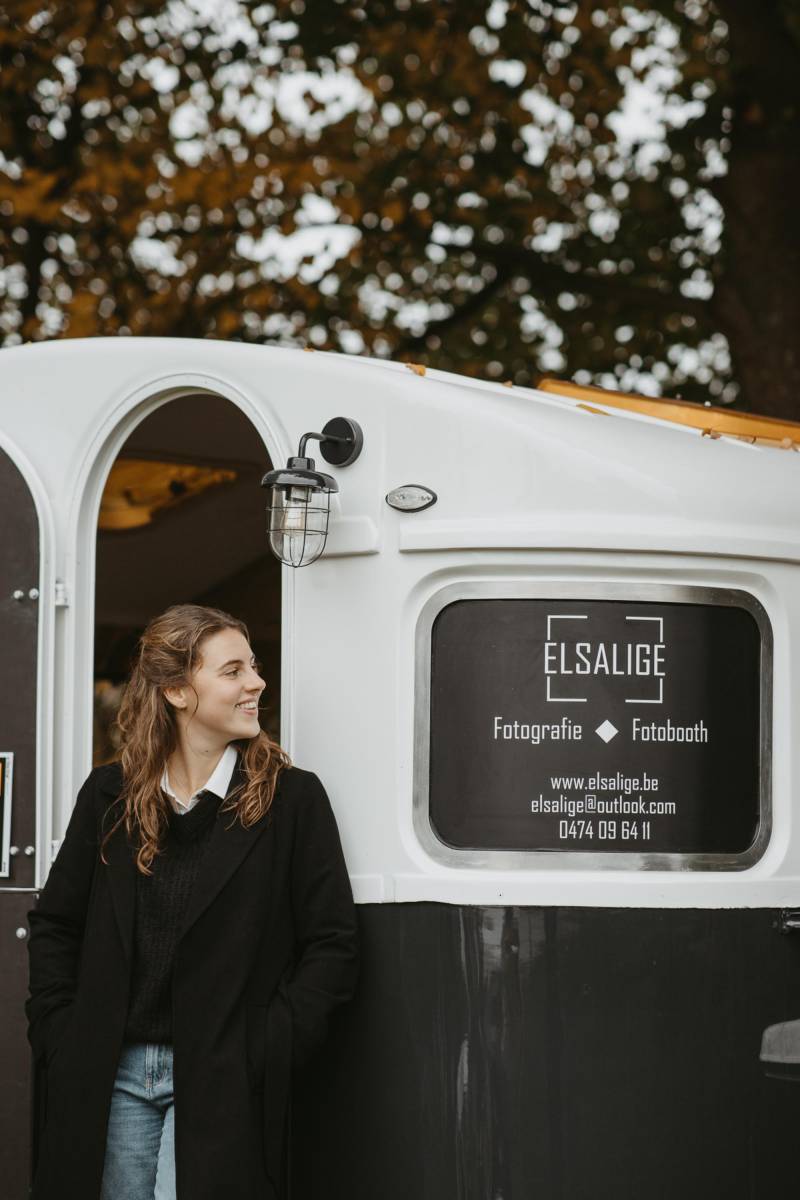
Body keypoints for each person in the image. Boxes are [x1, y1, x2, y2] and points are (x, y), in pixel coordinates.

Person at [25, 603, 359, 1200]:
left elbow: (332, 943)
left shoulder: (294, 800)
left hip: (225, 1073)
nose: (256, 683)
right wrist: (62, 1034)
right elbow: (56, 924)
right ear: (178, 691)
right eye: (233, 671)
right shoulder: (108, 795)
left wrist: (269, 1045)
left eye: (252, 667)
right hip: (111, 1071)